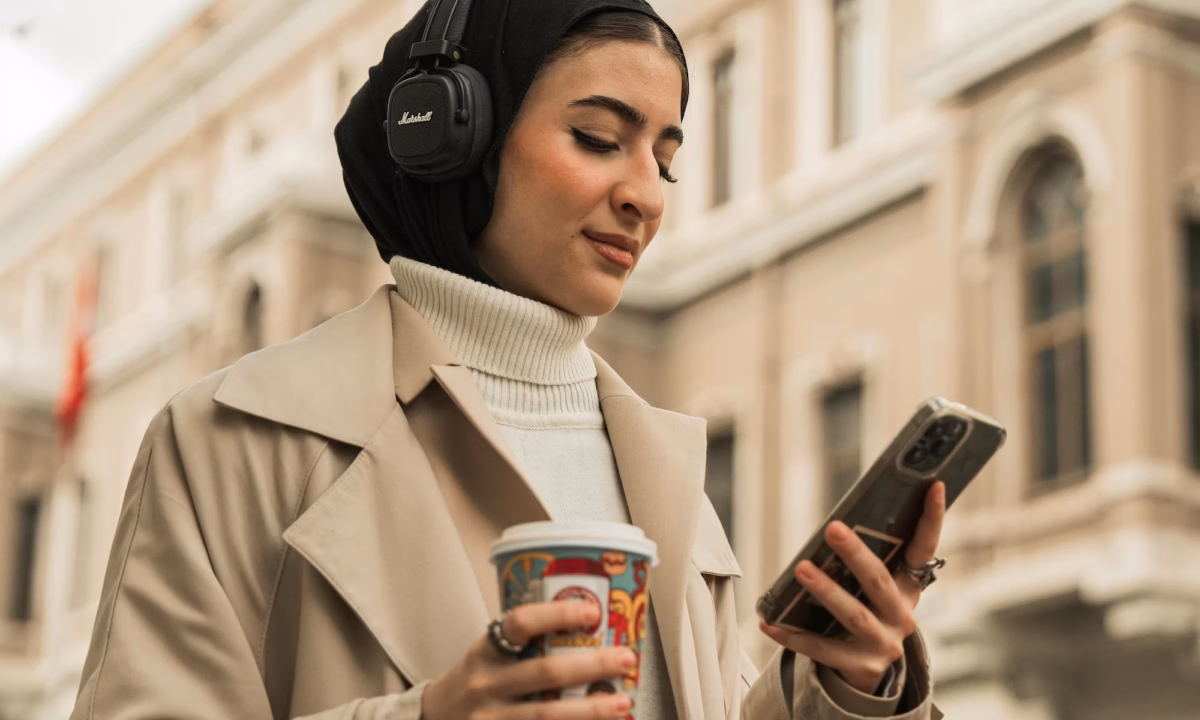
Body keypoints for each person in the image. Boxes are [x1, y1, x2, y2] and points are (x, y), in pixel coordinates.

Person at [69, 1, 946, 718]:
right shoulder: (232, 439)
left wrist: (845, 688)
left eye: (665, 161)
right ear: (452, 139)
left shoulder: (667, 472)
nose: (643, 194)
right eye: (600, 139)